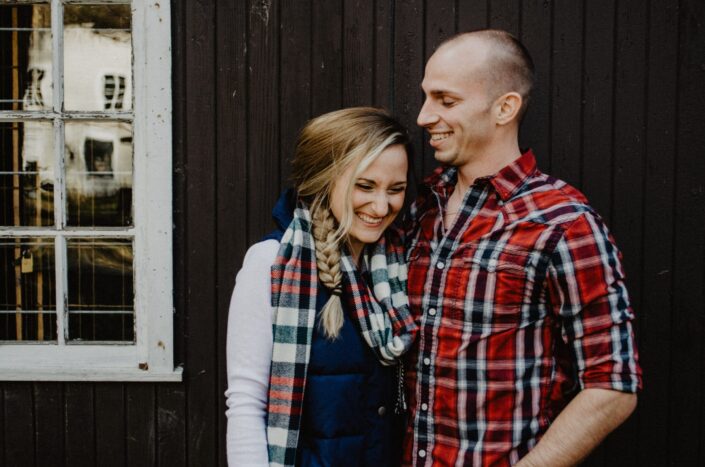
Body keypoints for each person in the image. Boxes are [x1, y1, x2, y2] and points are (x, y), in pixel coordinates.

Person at [402, 30, 642, 466]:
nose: (423, 116)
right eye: (425, 97)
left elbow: (612, 384)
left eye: (445, 100)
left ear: (505, 107)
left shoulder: (563, 222)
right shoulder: (416, 207)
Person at [225, 107, 418, 466]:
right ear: (324, 178)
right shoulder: (271, 262)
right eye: (365, 186)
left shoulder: (398, 267)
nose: (381, 205)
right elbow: (247, 403)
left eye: (396, 189)